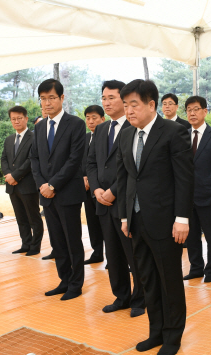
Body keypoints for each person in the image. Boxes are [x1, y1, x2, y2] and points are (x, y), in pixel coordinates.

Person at [117, 79, 193, 355]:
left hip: (166, 221)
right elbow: (124, 176)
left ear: (151, 104)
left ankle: (173, 336)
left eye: (134, 104)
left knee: (169, 280)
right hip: (136, 221)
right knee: (147, 279)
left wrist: (182, 218)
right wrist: (125, 215)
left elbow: (184, 179)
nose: (129, 110)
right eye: (125, 105)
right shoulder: (126, 135)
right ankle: (156, 331)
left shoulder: (174, 132)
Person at [87, 80, 146, 317]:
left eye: (111, 97)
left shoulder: (133, 128)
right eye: (104, 98)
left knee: (134, 255)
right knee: (113, 254)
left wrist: (113, 190)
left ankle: (140, 299)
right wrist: (97, 190)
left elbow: (134, 169)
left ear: (123, 100)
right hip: (102, 202)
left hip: (126, 204)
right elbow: (91, 162)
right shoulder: (100, 129)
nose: (106, 102)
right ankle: (121, 296)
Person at [30, 79, 86, 301]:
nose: (47, 103)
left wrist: (53, 184)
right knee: (56, 242)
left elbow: (74, 160)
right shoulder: (40, 126)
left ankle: (76, 284)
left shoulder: (75, 124)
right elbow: (34, 159)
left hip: (68, 193)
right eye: (43, 98)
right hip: (47, 195)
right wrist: (42, 185)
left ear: (62, 98)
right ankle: (64, 279)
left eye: (51, 97)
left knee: (72, 241)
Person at [183, 96, 211, 283]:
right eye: (189, 110)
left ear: (205, 111)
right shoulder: (183, 136)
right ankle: (196, 268)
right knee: (191, 236)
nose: (192, 113)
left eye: (196, 109)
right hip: (187, 196)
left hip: (208, 196)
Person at [0, 105, 43, 256]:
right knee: (20, 217)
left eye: (19, 118)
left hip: (28, 184)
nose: (16, 121)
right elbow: (4, 159)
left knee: (33, 217)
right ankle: (25, 243)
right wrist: (8, 175)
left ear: (26, 119)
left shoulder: (34, 137)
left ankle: (35, 246)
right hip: (12, 185)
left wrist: (15, 176)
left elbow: (31, 160)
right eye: (13, 119)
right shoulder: (9, 139)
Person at [82, 105, 105, 264]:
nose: (91, 121)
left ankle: (114, 257)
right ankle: (97, 252)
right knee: (92, 222)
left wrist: (93, 180)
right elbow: (77, 160)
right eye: (88, 118)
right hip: (85, 188)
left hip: (103, 188)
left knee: (107, 224)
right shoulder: (83, 138)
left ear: (103, 119)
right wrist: (83, 177)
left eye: (94, 118)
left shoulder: (107, 137)